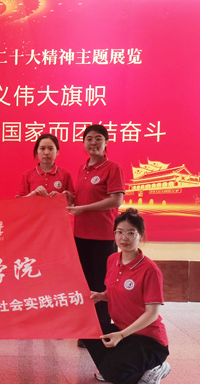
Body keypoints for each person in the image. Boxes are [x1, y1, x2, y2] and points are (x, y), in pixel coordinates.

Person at [82, 208, 170, 384]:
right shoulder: (112, 259)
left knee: (115, 374)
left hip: (148, 339)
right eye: (119, 232)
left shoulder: (150, 270)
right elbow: (116, 290)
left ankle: (156, 367)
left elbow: (152, 313)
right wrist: (101, 296)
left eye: (131, 233)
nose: (124, 238)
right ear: (114, 234)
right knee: (87, 332)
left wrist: (121, 335)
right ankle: (113, 365)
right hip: (123, 331)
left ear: (140, 236)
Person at [67, 124, 125, 334]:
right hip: (80, 234)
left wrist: (83, 208)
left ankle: (101, 329)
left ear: (106, 142)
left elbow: (116, 200)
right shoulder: (82, 169)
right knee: (85, 284)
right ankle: (87, 330)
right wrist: (69, 198)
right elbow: (82, 198)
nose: (93, 143)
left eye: (98, 138)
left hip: (102, 236)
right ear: (84, 143)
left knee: (101, 285)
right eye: (89, 139)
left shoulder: (113, 168)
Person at [17, 133, 74, 203]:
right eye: (42, 148)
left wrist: (62, 196)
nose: (46, 153)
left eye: (50, 148)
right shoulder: (28, 175)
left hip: (57, 210)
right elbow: (19, 202)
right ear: (36, 151)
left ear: (57, 152)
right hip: (34, 210)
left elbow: (73, 201)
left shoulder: (65, 174)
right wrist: (33, 194)